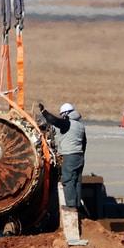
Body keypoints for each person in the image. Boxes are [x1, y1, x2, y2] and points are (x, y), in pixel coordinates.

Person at [39, 102, 88, 238]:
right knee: (77, 180)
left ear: (66, 114)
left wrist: (44, 112)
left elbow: (55, 121)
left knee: (67, 179)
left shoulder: (68, 123)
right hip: (79, 156)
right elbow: (84, 143)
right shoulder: (80, 125)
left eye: (62, 114)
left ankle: (71, 206)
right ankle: (76, 204)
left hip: (70, 156)